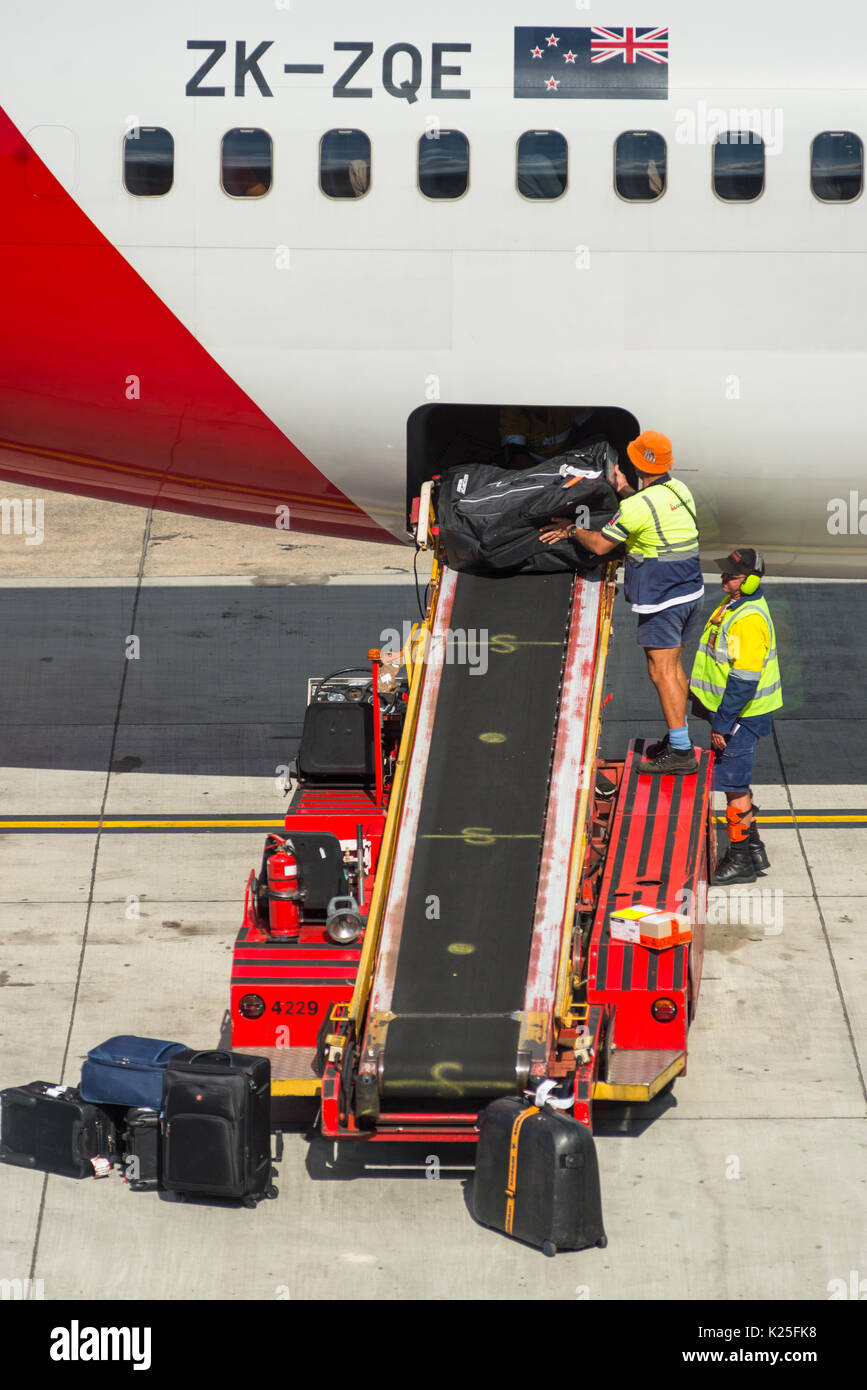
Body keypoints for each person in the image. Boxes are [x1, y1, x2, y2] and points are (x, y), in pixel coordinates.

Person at [540, 429, 703, 774]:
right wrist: (622, 487)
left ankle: (681, 752)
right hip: (690, 591)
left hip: (662, 598)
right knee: (672, 668)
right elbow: (646, 505)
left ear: (639, 462)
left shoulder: (636, 508)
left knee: (661, 673)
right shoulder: (678, 490)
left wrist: (571, 528)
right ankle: (679, 736)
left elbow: (599, 545)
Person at [689, 549, 782, 884]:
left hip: (740, 716)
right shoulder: (735, 606)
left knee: (734, 786)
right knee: (737, 782)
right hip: (735, 714)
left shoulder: (748, 620)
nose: (724, 577)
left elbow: (744, 681)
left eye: (731, 574)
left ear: (751, 579)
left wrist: (722, 724)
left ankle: (740, 857)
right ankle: (755, 848)